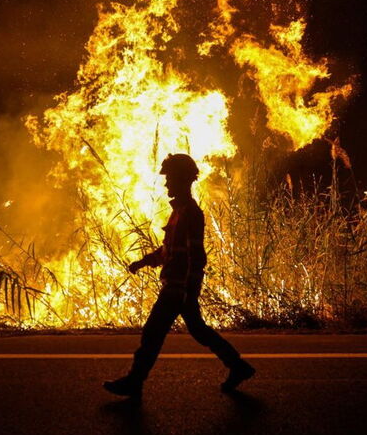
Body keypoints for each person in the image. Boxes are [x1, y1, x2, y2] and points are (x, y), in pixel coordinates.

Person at [104, 153, 256, 398]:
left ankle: (134, 381)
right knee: (198, 330)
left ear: (183, 180)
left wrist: (188, 291)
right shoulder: (179, 212)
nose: (166, 184)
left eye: (170, 179)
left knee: (153, 332)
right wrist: (144, 262)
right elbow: (169, 250)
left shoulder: (191, 214)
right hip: (177, 287)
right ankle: (238, 366)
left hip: (177, 289)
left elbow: (197, 257)